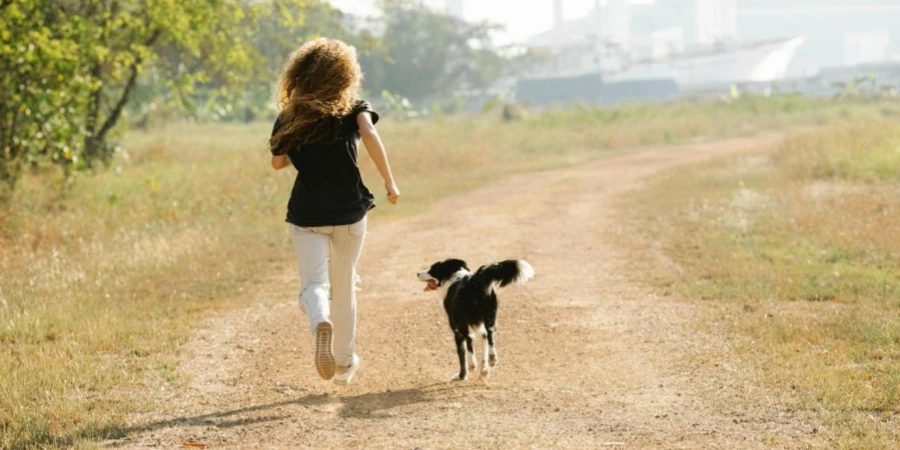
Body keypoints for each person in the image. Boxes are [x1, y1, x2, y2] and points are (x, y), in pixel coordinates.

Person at [269, 38, 399, 385]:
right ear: (345, 74)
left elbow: (277, 162)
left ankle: (319, 320)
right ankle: (344, 361)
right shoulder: (353, 108)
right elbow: (370, 134)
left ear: (300, 74)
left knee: (314, 284)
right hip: (349, 213)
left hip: (307, 213)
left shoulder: (290, 115)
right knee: (345, 286)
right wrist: (390, 182)